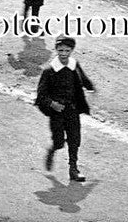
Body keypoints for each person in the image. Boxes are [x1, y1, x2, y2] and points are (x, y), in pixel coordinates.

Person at [35, 35, 94, 183]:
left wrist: (90, 87)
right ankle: (53, 150)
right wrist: (52, 104)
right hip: (57, 113)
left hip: (72, 110)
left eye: (67, 50)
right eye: (60, 50)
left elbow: (83, 79)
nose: (63, 54)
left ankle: (73, 169)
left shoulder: (74, 65)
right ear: (56, 50)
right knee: (59, 141)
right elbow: (41, 95)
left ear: (71, 51)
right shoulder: (49, 71)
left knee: (74, 140)